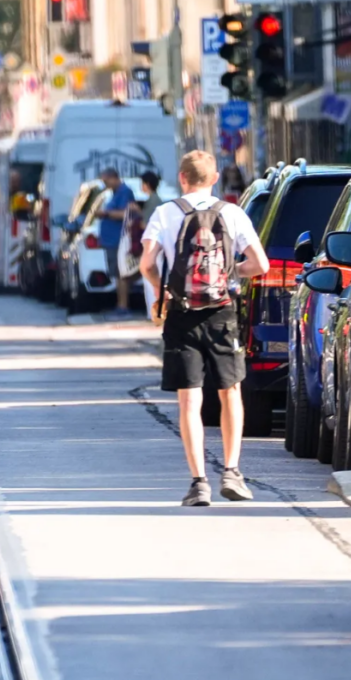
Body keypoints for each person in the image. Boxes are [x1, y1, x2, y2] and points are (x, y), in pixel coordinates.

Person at [138, 150, 269, 507]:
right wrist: (231, 274)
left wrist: (158, 291)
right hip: (223, 313)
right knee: (230, 392)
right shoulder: (232, 213)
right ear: (214, 180)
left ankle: (199, 484)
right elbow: (261, 264)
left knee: (189, 399)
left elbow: (147, 262)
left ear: (182, 178)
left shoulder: (166, 213)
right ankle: (232, 471)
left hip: (181, 314)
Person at [95, 168, 136, 317]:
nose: (105, 184)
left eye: (106, 181)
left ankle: (123, 306)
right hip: (112, 241)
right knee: (118, 274)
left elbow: (126, 213)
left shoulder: (124, 192)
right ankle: (120, 305)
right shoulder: (113, 194)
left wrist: (105, 213)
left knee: (122, 274)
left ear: (114, 178)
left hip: (119, 240)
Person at [137, 170, 163, 319]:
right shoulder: (157, 201)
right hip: (158, 247)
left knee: (150, 280)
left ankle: (153, 313)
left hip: (152, 246)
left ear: (147, 185)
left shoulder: (152, 202)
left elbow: (145, 224)